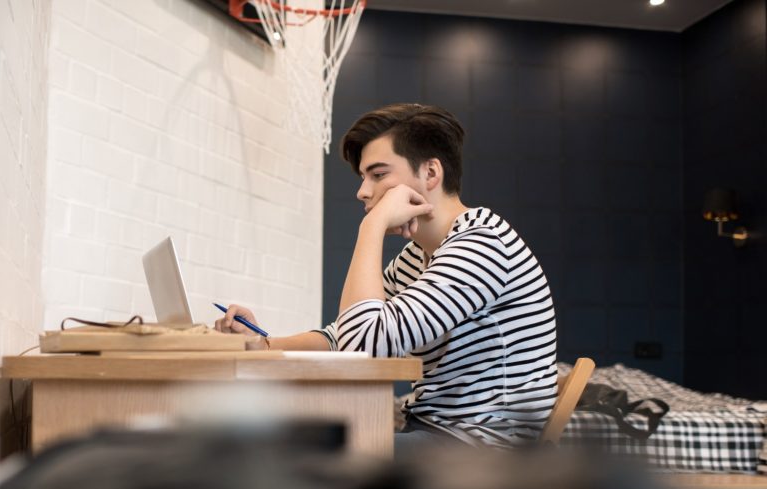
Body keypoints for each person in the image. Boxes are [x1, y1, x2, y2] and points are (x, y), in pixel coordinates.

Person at [215, 104, 557, 447]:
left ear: (431, 173)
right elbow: (343, 336)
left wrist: (372, 226)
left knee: (296, 455)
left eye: (378, 175)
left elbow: (364, 343)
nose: (363, 191)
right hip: (431, 433)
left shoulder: (482, 244)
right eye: (364, 177)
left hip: (479, 451)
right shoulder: (418, 256)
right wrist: (264, 344)